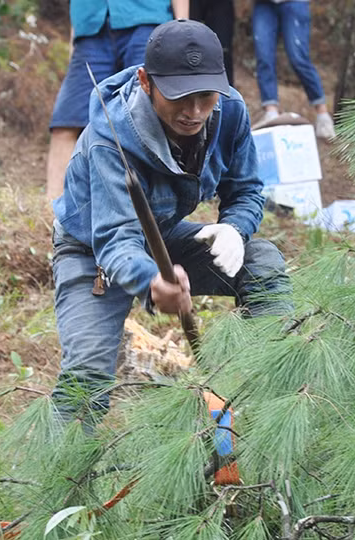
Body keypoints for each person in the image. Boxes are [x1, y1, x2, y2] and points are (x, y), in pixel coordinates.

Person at [50, 20, 293, 422]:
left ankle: (277, 403)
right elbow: (116, 237)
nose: (195, 111)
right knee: (85, 382)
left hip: (162, 235)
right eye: (180, 97)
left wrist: (234, 227)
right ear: (146, 82)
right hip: (92, 250)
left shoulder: (229, 111)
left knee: (262, 260)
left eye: (205, 95)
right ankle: (57, 475)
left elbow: (247, 189)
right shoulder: (109, 138)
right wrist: (152, 281)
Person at [46, 0, 189, 201]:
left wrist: (182, 26)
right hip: (90, 29)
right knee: (66, 122)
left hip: (146, 20)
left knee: (152, 114)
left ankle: (162, 203)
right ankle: (54, 209)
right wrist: (75, 36)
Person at [251, 0, 335, 139]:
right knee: (263, 56)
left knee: (298, 58)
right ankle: (271, 112)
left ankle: (322, 114)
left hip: (294, 3)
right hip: (263, 4)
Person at [187, 0, 236, 86]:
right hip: (190, 3)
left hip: (220, 4)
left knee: (223, 51)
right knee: (190, 48)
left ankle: (226, 95)